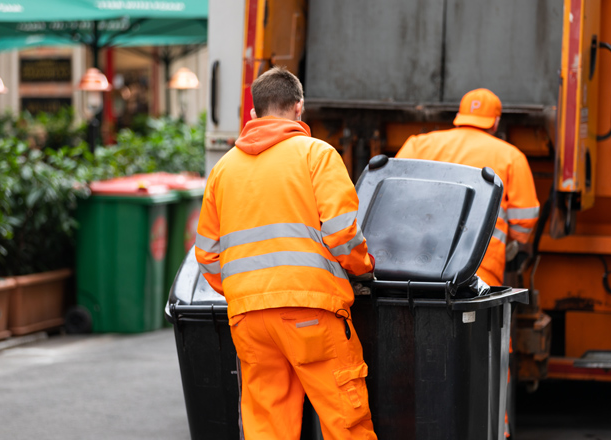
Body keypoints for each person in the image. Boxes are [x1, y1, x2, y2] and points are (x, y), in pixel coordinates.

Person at [195, 66, 377, 440]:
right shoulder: (316, 155)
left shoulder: (223, 170)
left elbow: (207, 254)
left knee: (267, 427)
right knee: (346, 420)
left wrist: (246, 292)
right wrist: (363, 271)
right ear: (299, 108)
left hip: (248, 319)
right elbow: (343, 233)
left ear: (253, 113)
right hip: (310, 312)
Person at [396, 88, 540, 287]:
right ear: (496, 122)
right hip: (478, 268)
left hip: (412, 262)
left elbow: (394, 197)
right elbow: (524, 222)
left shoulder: (418, 144)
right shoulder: (511, 157)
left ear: (459, 116)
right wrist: (510, 242)